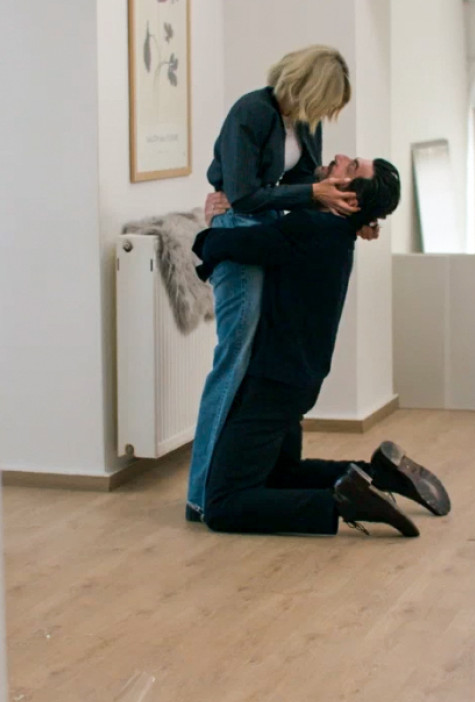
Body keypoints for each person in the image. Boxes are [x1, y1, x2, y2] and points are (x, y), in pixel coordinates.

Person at [192, 155, 452, 537]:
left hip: (272, 382)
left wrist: (210, 224)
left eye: (350, 167)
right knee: (280, 475)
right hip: (298, 380)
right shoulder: (336, 232)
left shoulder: (311, 228)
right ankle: (377, 475)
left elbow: (231, 244)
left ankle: (342, 503)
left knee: (223, 505)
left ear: (349, 198)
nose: (339, 159)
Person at [187, 46, 380, 523]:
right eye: (326, 101)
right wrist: (313, 192)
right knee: (233, 360)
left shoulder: (304, 122)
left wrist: (354, 212)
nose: (325, 115)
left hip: (267, 226)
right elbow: (244, 195)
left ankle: (249, 474)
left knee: (255, 355)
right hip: (239, 226)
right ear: (310, 86)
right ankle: (201, 493)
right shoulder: (252, 111)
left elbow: (302, 180)